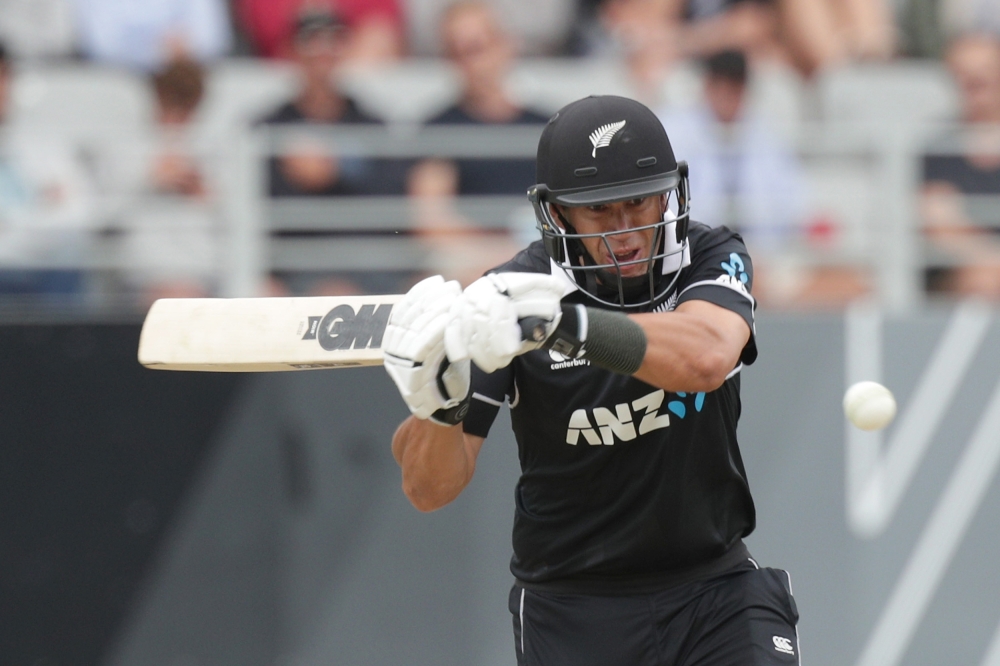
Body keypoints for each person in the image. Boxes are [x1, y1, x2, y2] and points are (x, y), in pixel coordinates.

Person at [384, 95, 800, 665]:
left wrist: (563, 327)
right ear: (558, 214)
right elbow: (428, 490)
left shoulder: (709, 254)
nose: (626, 231)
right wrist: (438, 405)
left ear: (670, 193)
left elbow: (705, 358)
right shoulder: (510, 295)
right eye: (600, 210)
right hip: (572, 607)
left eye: (638, 202)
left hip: (715, 591)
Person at [260, 7, 402, 197]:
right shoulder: (268, 128)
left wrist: (336, 170)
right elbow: (252, 190)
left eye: (333, 39)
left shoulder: (372, 126)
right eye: (310, 40)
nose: (322, 51)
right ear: (290, 50)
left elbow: (390, 188)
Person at [921, 33, 1000, 298]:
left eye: (984, 71)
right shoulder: (934, 150)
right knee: (982, 281)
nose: (973, 81)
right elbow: (939, 222)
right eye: (961, 73)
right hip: (957, 279)